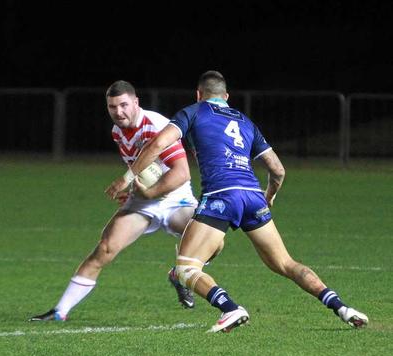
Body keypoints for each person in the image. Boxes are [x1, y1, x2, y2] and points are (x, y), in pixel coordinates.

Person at [105, 70, 369, 332]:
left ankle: (230, 308)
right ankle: (343, 308)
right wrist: (269, 197)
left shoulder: (194, 112)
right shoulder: (245, 121)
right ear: (226, 96)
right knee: (286, 263)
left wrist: (127, 178)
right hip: (253, 197)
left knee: (185, 268)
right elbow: (278, 170)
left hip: (221, 195)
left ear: (199, 95)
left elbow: (157, 144)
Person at [30, 80, 208, 322]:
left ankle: (179, 274)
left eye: (124, 105)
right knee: (105, 248)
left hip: (176, 198)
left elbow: (181, 173)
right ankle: (60, 311)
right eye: (112, 107)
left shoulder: (156, 126)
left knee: (213, 242)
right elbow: (144, 170)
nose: (118, 112)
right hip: (144, 201)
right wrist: (136, 191)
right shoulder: (118, 131)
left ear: (136, 102)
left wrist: (149, 192)